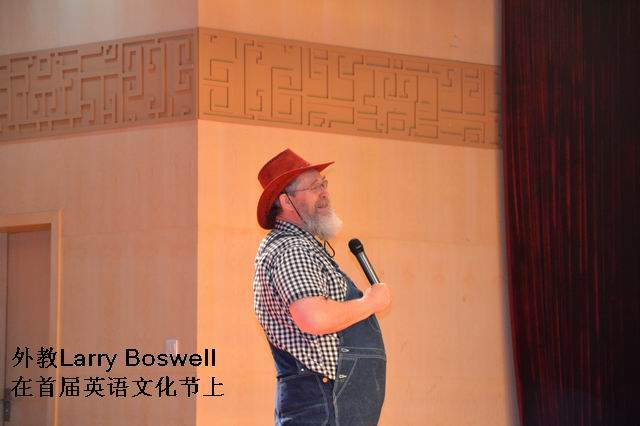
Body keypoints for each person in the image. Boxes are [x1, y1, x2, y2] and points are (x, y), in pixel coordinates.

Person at [253, 148, 391, 425]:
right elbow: (314, 318)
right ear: (287, 201)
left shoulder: (300, 247)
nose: (325, 193)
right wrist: (369, 303)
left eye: (324, 184)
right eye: (315, 187)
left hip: (326, 403)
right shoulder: (292, 249)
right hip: (323, 404)